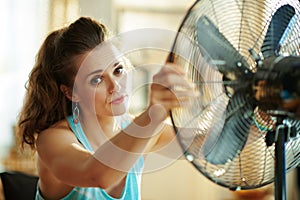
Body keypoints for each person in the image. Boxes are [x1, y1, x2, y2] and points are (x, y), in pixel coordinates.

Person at [17, 16, 197, 200]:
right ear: (71, 93)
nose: (115, 86)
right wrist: (153, 115)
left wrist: (224, 87)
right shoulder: (52, 141)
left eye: (118, 70)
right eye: (97, 79)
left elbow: (208, 145)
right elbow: (97, 173)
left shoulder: (140, 130)